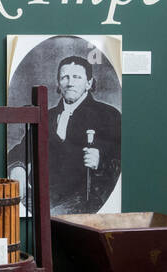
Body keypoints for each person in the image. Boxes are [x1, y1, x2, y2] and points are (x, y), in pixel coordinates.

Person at [46, 55, 121, 213]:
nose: (70, 82)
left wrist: (101, 161)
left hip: (87, 197)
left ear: (89, 83)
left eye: (77, 77)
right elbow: (22, 148)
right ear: (59, 84)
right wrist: (18, 167)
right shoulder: (47, 116)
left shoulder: (109, 115)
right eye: (65, 77)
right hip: (47, 193)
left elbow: (122, 157)